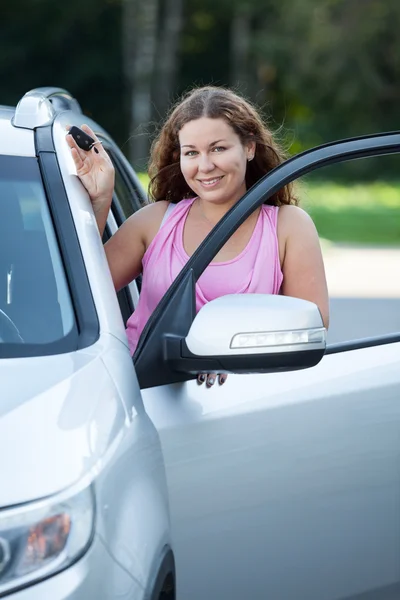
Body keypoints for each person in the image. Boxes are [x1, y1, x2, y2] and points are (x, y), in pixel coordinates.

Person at [66, 86, 329, 387]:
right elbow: (80, 290)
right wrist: (101, 201)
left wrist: (232, 353)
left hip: (242, 404)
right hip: (142, 395)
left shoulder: (288, 226)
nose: (205, 166)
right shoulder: (155, 221)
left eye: (218, 148)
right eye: (192, 152)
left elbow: (312, 326)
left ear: (249, 147)